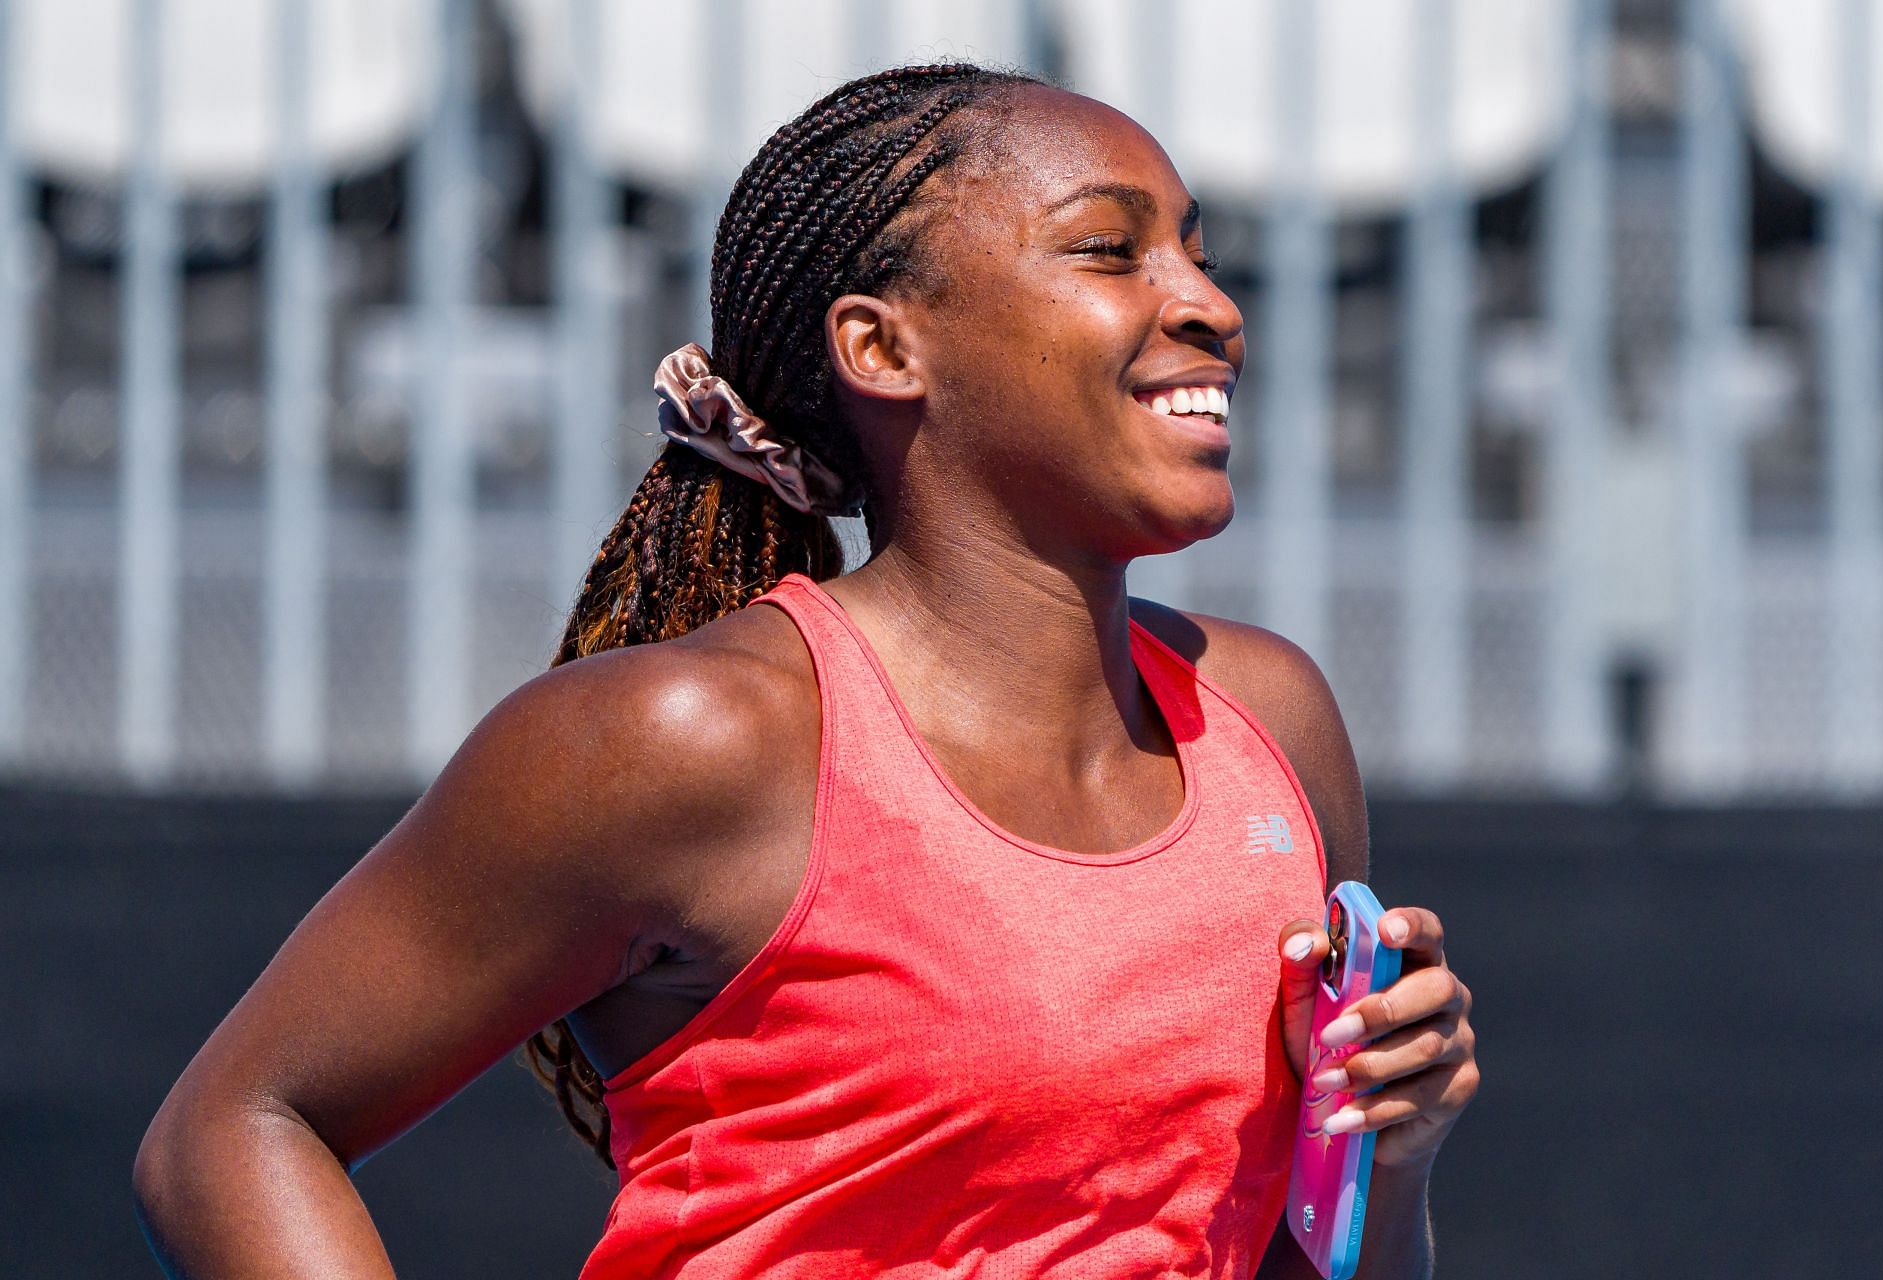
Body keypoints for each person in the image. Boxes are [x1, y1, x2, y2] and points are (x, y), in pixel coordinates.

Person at [133, 62, 1478, 1278]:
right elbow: (236, 1128)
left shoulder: (1272, 719)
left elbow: (1312, 1262)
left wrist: (1387, 1154)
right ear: (883, 348)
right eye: (1111, 252)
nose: (1211, 307)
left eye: (1197, 250)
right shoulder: (690, 739)